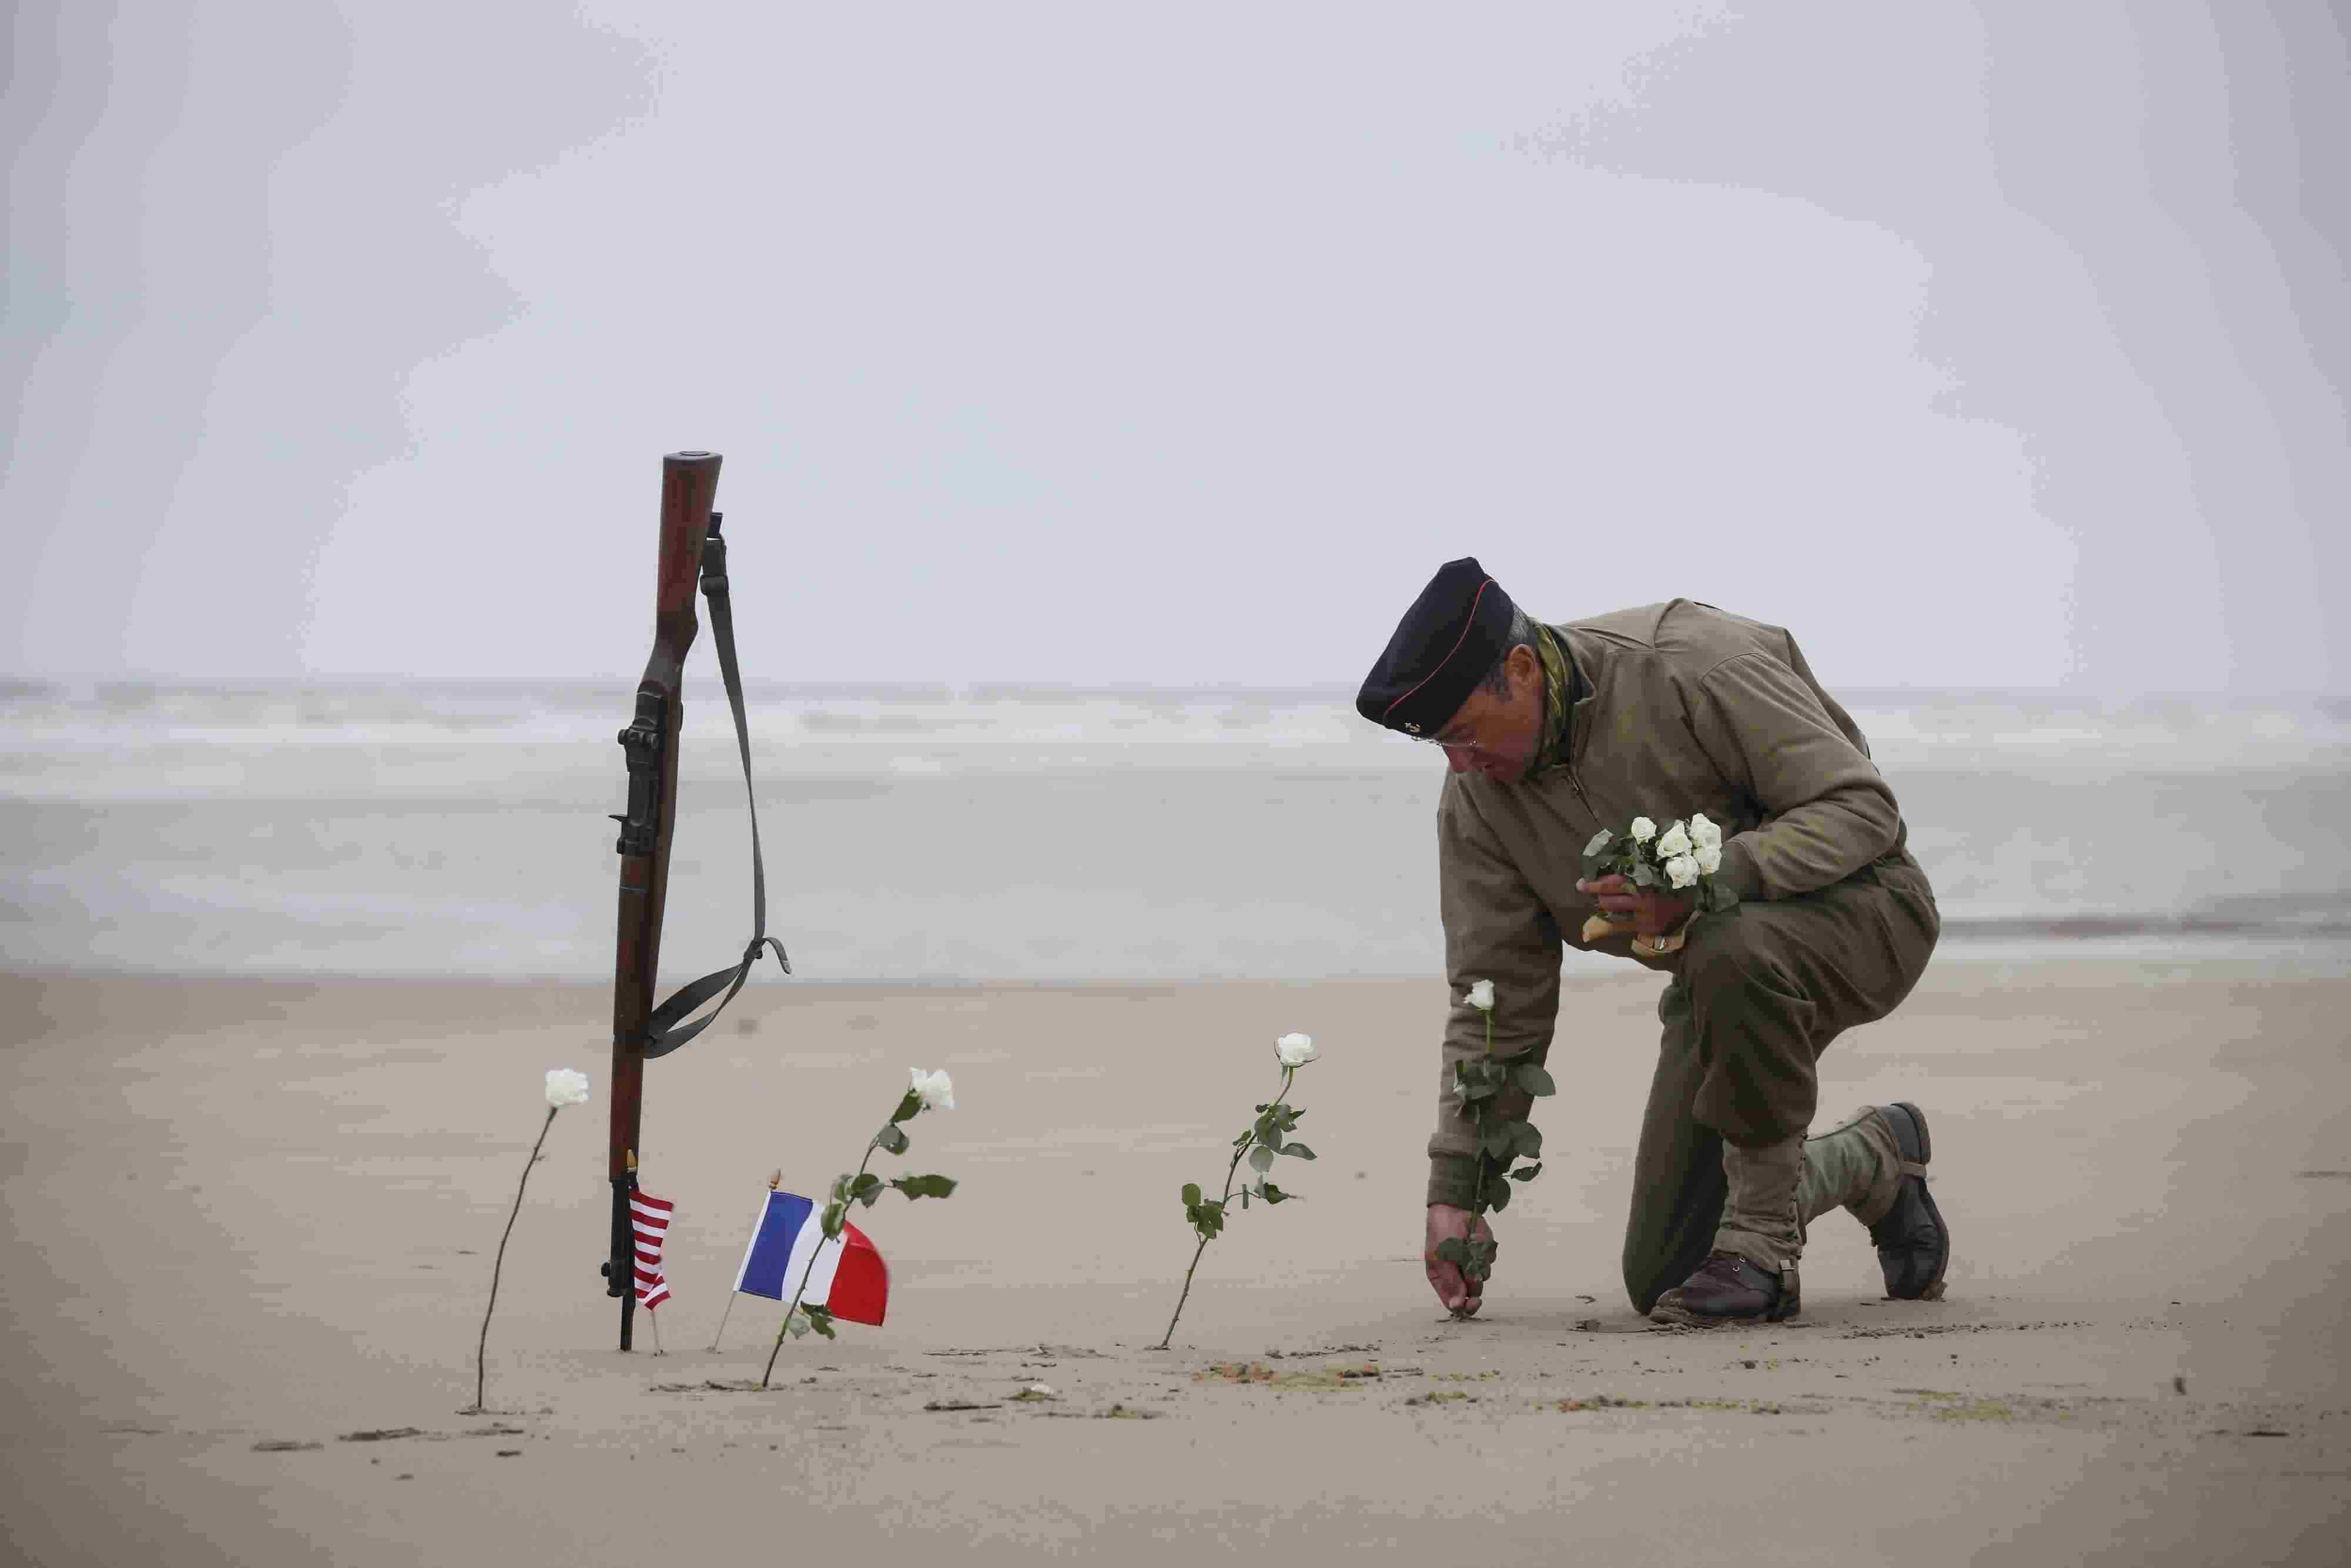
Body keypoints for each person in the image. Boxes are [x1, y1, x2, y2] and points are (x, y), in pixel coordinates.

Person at [1355, 558, 1950, 1325]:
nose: (1460, 764)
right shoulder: (1478, 801)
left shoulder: (1692, 665)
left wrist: (1712, 878)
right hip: (1720, 979)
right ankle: (1875, 1158)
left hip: (1870, 913)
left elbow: (1862, 809)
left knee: (1728, 942)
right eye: (1441, 745)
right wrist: (1457, 1190)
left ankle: (1763, 1250)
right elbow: (1496, 997)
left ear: (1522, 669)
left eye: (1465, 733)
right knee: (1668, 1273)